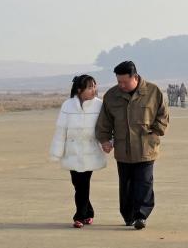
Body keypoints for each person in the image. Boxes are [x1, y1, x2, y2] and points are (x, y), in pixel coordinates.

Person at [96, 61, 169, 230]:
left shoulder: (153, 91)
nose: (121, 85)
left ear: (135, 77)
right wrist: (105, 140)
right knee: (126, 184)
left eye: (124, 82)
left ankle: (141, 216)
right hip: (123, 149)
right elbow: (104, 122)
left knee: (144, 182)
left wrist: (156, 131)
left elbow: (163, 114)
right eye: (118, 81)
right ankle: (128, 216)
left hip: (146, 147)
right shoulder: (112, 96)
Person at [50, 74, 106, 228]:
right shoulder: (67, 106)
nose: (93, 90)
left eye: (94, 86)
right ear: (79, 89)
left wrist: (107, 143)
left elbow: (105, 128)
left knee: (83, 183)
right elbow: (61, 130)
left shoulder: (99, 105)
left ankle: (79, 216)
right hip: (72, 151)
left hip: (90, 151)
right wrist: (57, 152)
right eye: (89, 87)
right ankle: (89, 212)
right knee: (77, 183)